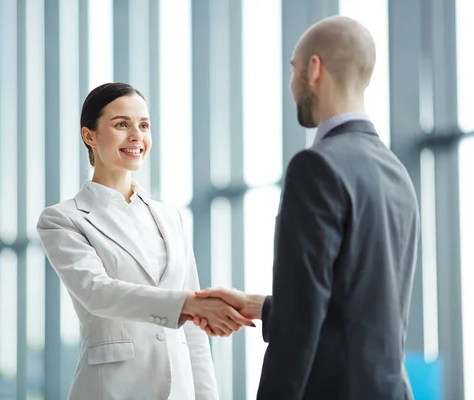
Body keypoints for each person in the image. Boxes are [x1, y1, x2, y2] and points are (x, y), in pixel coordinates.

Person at [193, 16, 419, 400]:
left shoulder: (315, 167)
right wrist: (257, 306)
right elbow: (354, 313)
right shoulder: (396, 172)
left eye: (294, 69)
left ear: (314, 69)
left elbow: (299, 329)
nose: (292, 82)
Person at [37, 82, 253, 400]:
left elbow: (193, 332)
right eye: (122, 124)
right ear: (90, 136)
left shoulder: (170, 218)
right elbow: (97, 292)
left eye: (144, 125)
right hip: (113, 389)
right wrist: (187, 304)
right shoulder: (64, 219)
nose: (136, 135)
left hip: (180, 390)